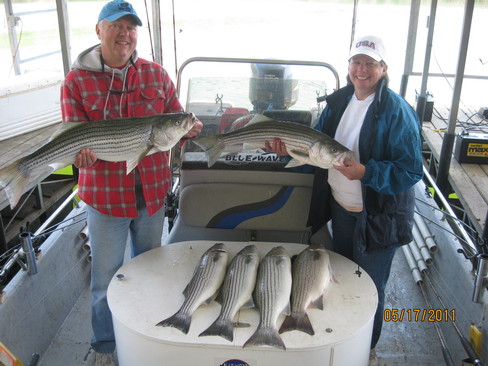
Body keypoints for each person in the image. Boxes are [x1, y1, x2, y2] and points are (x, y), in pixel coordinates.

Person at [60, 0, 202, 364]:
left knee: (149, 270)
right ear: (99, 30)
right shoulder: (76, 81)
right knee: (104, 281)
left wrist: (189, 130)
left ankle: (147, 333)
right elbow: (74, 137)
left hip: (152, 194)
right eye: (116, 26)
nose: (124, 34)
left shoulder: (156, 75)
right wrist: (80, 157)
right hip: (106, 199)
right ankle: (105, 347)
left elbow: (175, 120)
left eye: (131, 27)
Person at [266, 35, 423, 349]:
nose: (361, 69)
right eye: (356, 62)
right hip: (341, 209)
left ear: (383, 68)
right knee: (341, 277)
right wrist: (286, 151)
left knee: (370, 288)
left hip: (379, 217)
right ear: (348, 65)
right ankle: (341, 341)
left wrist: (366, 172)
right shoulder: (339, 102)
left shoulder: (397, 112)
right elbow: (315, 151)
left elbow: (410, 171)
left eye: (370, 63)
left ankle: (366, 349)